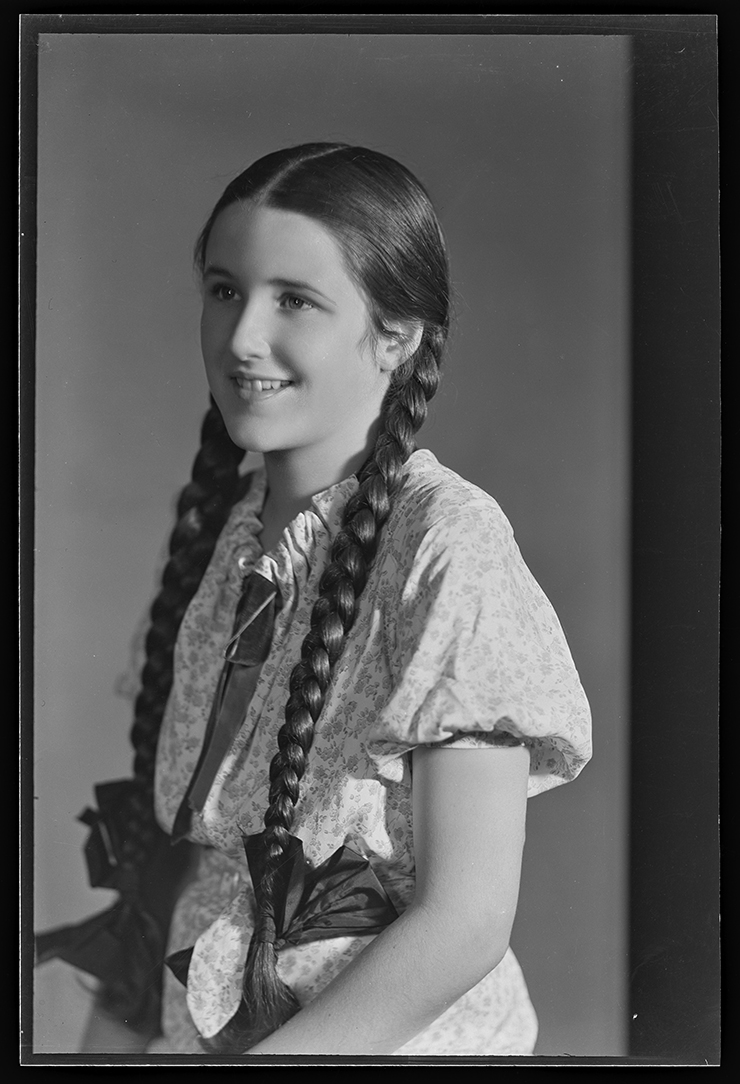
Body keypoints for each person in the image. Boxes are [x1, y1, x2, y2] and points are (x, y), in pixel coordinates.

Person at [36, 142, 592, 1057]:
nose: (243, 337)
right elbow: (183, 869)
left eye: (294, 299)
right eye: (225, 290)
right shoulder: (228, 541)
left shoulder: (445, 544)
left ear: (396, 334)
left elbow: (465, 922)